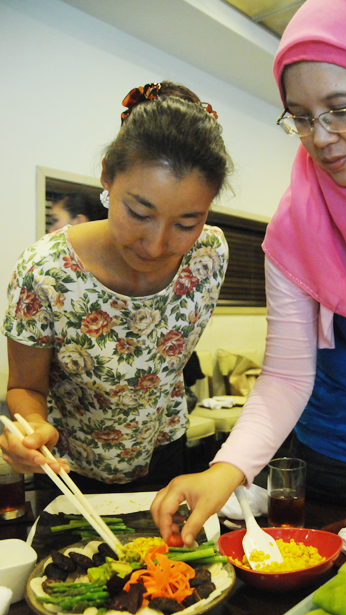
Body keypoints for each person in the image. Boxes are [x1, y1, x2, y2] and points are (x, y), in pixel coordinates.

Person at [152, 0, 346, 544]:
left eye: (342, 108)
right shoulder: (299, 220)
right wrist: (223, 473)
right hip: (333, 453)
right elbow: (287, 375)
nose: (319, 137)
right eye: (299, 116)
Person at [0, 81, 231, 491]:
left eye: (185, 224)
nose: (158, 245)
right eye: (140, 213)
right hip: (68, 467)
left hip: (168, 453)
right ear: (107, 176)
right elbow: (24, 386)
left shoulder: (209, 255)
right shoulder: (46, 270)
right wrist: (32, 427)